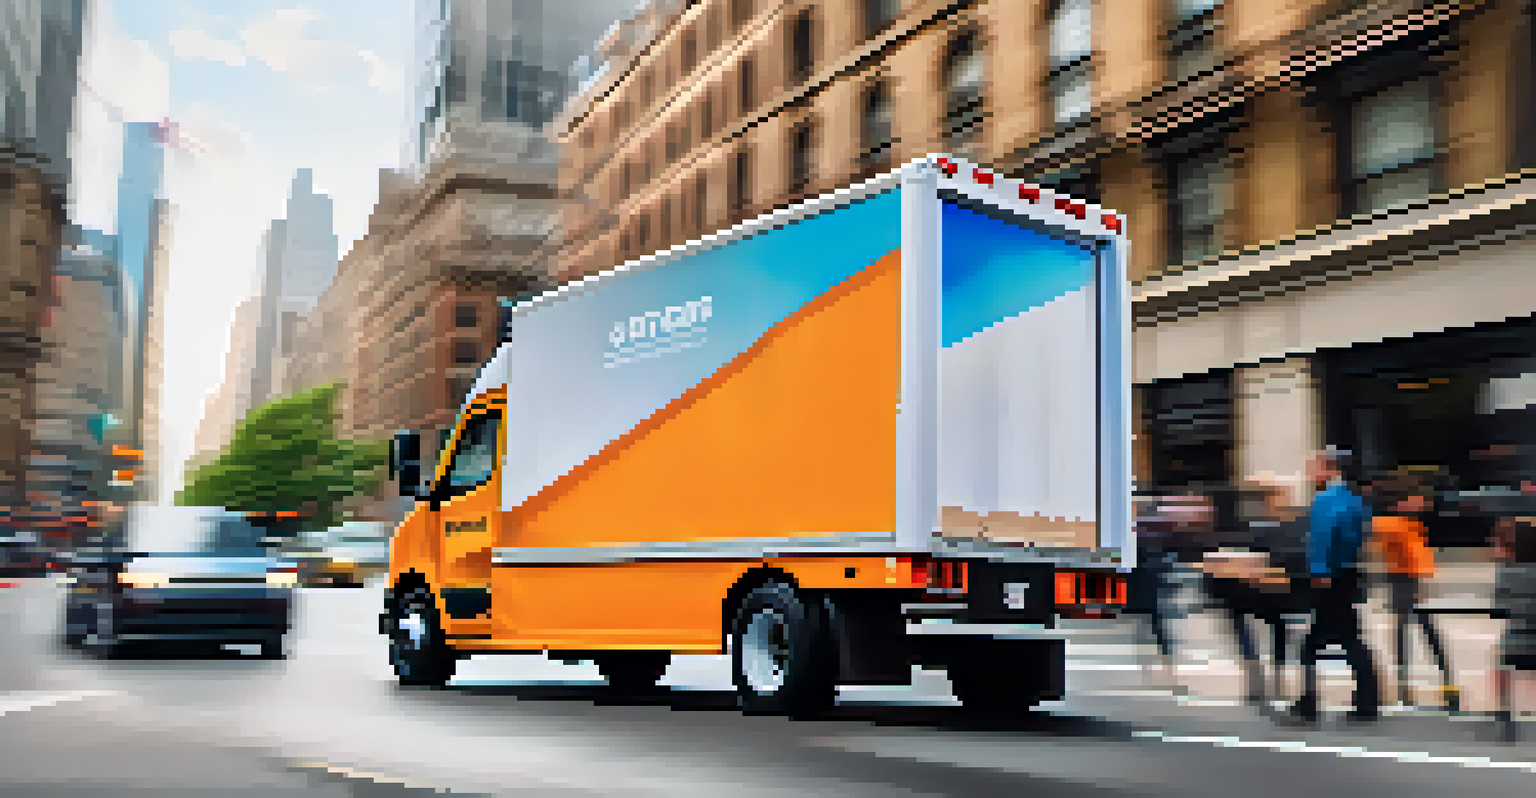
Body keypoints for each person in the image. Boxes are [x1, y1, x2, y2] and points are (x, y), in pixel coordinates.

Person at [1283, 448, 1381, 724]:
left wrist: (1319, 571)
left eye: (1314, 467)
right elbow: (1364, 533)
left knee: (1324, 643)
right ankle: (1362, 701)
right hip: (1348, 573)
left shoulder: (1326, 500)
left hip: (1330, 578)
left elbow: (1322, 538)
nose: (1310, 473)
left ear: (1330, 469)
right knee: (1342, 640)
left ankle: (1313, 704)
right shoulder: (1356, 500)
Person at [1370, 475, 1455, 710]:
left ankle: (1439, 685)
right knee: (1409, 633)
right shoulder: (1390, 524)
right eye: (1415, 499)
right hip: (1402, 581)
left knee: (1420, 633)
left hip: (1413, 581)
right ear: (1400, 502)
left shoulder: (1411, 523)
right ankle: (1409, 686)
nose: (1422, 502)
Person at [1491, 478, 1536, 742]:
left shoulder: (1507, 571)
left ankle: (1506, 717)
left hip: (1517, 639)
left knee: (1501, 665)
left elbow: (1499, 608)